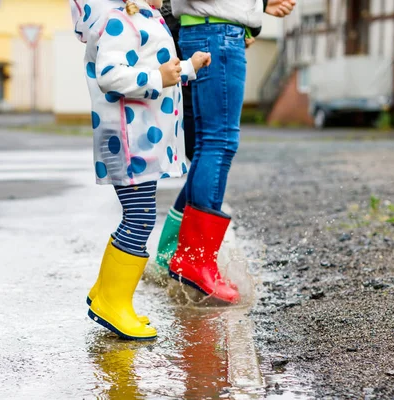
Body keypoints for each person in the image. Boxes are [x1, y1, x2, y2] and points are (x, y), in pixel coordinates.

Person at [72, 0, 210, 340]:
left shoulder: (145, 18)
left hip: (141, 138)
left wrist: (188, 67)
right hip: (127, 136)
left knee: (138, 214)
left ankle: (106, 292)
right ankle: (112, 302)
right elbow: (110, 75)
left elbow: (160, 68)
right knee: (139, 217)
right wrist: (156, 77)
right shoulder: (119, 21)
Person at [153, 0, 296, 304]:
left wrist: (252, 13)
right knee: (218, 142)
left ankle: (188, 259)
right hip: (216, 32)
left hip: (212, 31)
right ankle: (194, 262)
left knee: (210, 142)